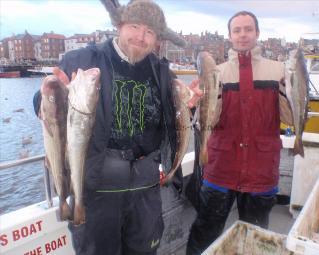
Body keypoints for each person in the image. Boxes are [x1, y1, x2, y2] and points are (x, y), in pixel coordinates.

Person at [33, 1, 202, 254]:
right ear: (119, 25)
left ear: (157, 38)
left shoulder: (163, 72)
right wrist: (53, 95)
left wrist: (187, 108)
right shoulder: (83, 61)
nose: (141, 37)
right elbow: (45, 103)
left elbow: (172, 124)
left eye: (150, 32)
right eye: (135, 26)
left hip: (145, 187)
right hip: (96, 186)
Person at [186, 11, 293, 254]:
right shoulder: (216, 74)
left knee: (255, 237)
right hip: (220, 168)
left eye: (248, 29)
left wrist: (288, 90)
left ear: (257, 33)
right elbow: (207, 122)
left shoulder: (278, 71)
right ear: (230, 36)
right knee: (204, 232)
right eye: (237, 30)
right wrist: (195, 102)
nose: (242, 35)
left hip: (261, 170)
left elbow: (288, 119)